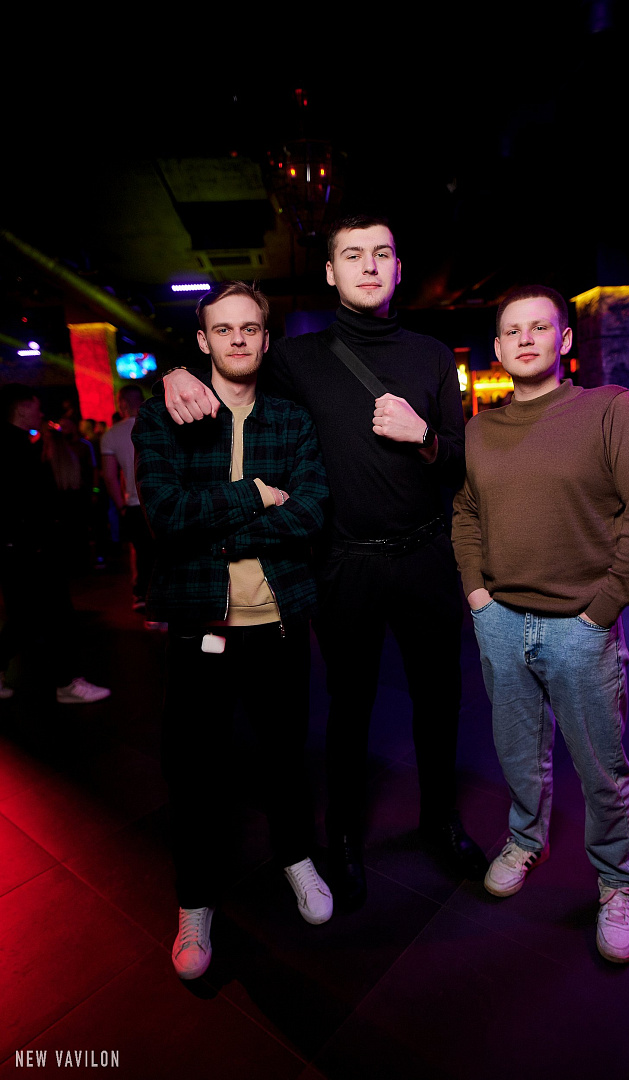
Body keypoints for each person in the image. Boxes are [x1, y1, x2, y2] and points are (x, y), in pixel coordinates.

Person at [161, 214, 486, 911]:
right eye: (352, 255)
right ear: (331, 272)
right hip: (345, 563)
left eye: (382, 253)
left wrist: (426, 437)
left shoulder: (433, 355)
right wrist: (173, 373)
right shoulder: (298, 358)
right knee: (349, 709)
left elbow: (461, 462)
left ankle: (441, 821)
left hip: (425, 553)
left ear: (398, 268)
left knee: (439, 701)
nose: (369, 265)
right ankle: (341, 839)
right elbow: (233, 360)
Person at [452, 286, 629, 964]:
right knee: (518, 753)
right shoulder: (481, 429)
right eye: (512, 331)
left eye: (539, 327)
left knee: (601, 767)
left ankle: (616, 883)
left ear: (565, 339)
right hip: (500, 622)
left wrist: (602, 608)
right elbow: (466, 513)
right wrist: (477, 594)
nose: (525, 339)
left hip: (581, 628)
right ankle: (526, 840)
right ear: (497, 348)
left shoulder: (611, 409)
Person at [132, 281, 333, 981]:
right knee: (194, 770)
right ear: (203, 340)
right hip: (201, 626)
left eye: (250, 328)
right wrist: (253, 495)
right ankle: (195, 900)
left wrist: (217, 530)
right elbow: (165, 515)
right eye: (224, 329)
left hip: (279, 624)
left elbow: (311, 510)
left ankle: (297, 857)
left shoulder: (291, 419)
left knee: (285, 755)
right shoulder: (166, 415)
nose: (238, 339)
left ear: (266, 340)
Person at [0, 384, 111, 704]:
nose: (41, 413)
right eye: (36, 407)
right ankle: (67, 683)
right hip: (29, 546)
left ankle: (65, 680)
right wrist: (36, 539)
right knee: (56, 614)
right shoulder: (14, 446)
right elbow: (24, 501)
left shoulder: (15, 443)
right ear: (21, 409)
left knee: (25, 617)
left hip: (19, 546)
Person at [101, 384, 156, 615]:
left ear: (122, 403)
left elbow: (110, 476)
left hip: (135, 503)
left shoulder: (111, 434)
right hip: (163, 499)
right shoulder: (158, 424)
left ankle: (142, 597)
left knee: (141, 552)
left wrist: (121, 506)